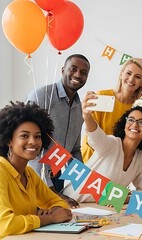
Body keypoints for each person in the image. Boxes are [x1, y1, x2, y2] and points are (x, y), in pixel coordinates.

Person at [0, 102, 72, 240]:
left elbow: (58, 202)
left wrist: (56, 210)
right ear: (9, 140)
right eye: (24, 136)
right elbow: (5, 225)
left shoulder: (29, 174)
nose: (33, 142)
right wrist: (50, 218)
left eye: (38, 136)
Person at [63, 92, 142, 202]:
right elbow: (95, 135)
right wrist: (87, 116)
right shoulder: (111, 143)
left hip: (97, 208)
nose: (135, 125)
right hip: (70, 201)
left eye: (141, 122)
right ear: (124, 125)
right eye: (131, 120)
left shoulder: (140, 159)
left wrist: (125, 198)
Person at [26, 54, 90, 208]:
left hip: (56, 176)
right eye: (73, 69)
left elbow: (74, 151)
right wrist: (51, 192)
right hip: (32, 176)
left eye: (83, 72)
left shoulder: (79, 109)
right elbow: (30, 148)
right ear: (63, 70)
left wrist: (89, 186)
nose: (78, 75)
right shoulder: (41, 96)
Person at [81, 58, 142, 162]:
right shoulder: (102, 96)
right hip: (91, 158)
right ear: (121, 74)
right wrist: (86, 115)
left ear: (141, 82)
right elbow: (91, 132)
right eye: (128, 73)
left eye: (137, 77)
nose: (131, 79)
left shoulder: (139, 109)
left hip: (116, 163)